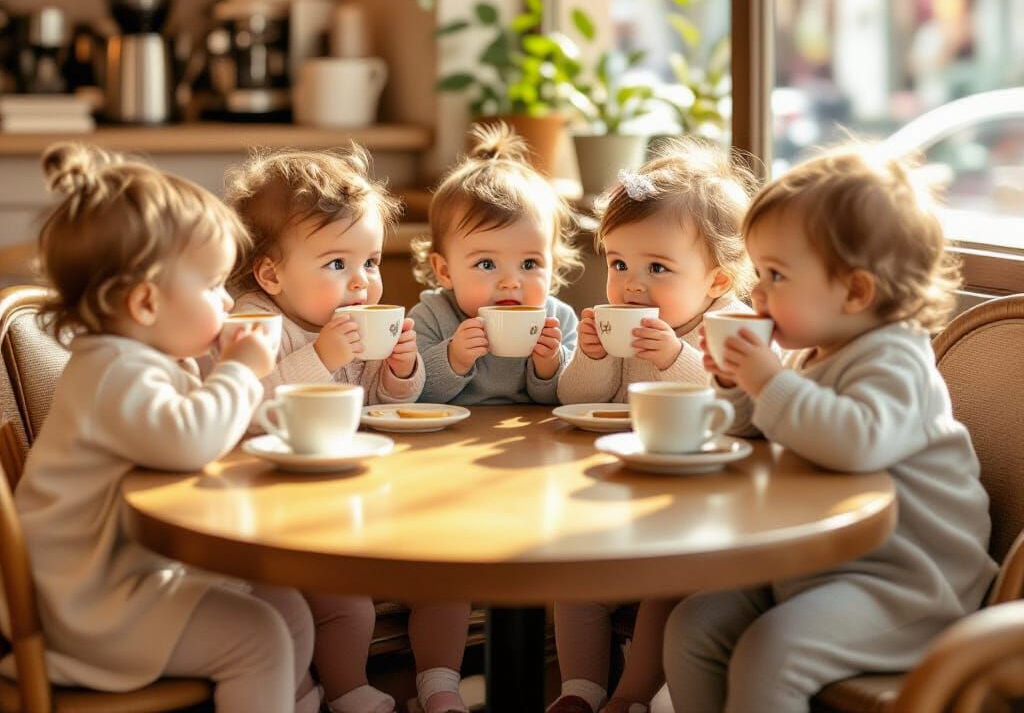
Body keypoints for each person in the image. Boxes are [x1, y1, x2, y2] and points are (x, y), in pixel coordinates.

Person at [665, 145, 998, 712]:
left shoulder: (895, 361)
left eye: (775, 275)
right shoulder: (815, 352)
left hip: (909, 589)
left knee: (772, 652)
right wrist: (733, 381)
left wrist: (768, 381)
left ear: (856, 291)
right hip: (819, 571)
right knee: (695, 624)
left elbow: (855, 441)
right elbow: (759, 430)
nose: (758, 294)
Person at [0, 143, 318, 712]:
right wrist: (239, 369)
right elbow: (191, 438)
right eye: (214, 285)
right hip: (92, 606)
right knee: (259, 638)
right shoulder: (113, 373)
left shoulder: (139, 362)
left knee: (285, 605)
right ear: (146, 302)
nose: (227, 301)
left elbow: (209, 428)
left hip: (122, 582)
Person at [226, 147, 466, 713]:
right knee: (348, 606)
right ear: (271, 273)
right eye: (338, 264)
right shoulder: (254, 324)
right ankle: (348, 691)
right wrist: (324, 356)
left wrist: (401, 370)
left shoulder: (347, 321)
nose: (362, 283)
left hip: (357, 493)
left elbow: (381, 404)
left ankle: (441, 685)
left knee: (448, 572)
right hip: (283, 508)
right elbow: (245, 407)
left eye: (373, 262)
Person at [551, 137, 757, 713]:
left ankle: (634, 695)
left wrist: (674, 358)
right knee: (574, 579)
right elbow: (580, 399)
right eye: (618, 263)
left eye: (657, 268)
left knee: (666, 590)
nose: (631, 284)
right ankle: (579, 690)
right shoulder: (623, 321)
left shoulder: (733, 328)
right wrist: (590, 356)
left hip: (697, 508)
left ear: (717, 280)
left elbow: (733, 405)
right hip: (623, 494)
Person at [410, 123, 580, 406]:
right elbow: (416, 394)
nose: (510, 282)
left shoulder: (558, 320)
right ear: (445, 271)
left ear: (553, 265)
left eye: (529, 263)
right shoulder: (431, 317)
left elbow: (569, 397)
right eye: (487, 264)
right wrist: (453, 358)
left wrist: (550, 364)